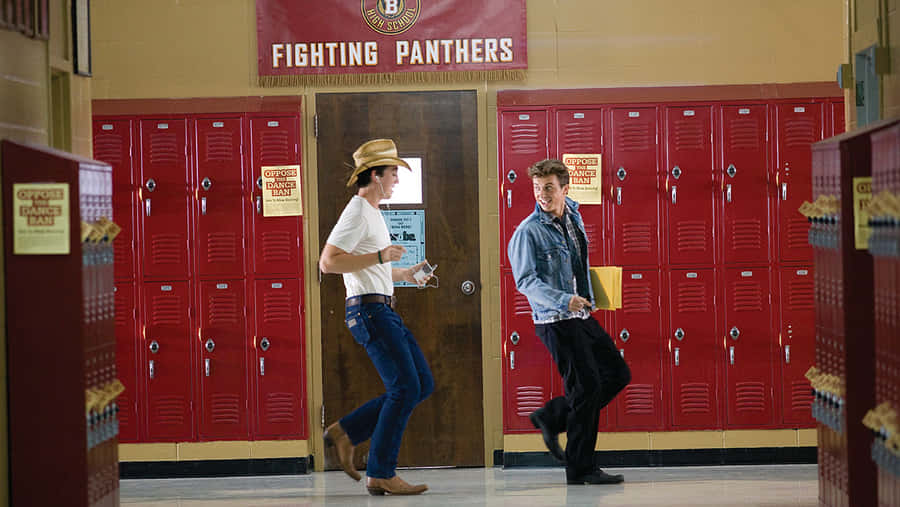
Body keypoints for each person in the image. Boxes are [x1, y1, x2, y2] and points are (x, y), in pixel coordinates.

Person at [318, 138, 434, 496]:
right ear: (375, 175)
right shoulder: (356, 212)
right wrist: (381, 258)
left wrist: (405, 274)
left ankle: (346, 431)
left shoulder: (373, 214)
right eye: (393, 172)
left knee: (421, 384)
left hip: (381, 306)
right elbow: (329, 262)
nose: (397, 179)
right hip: (368, 312)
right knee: (404, 388)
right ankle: (381, 471)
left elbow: (374, 269)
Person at [508, 158, 632, 485]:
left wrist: (589, 295)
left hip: (581, 313)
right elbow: (526, 282)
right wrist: (565, 299)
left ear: (565, 189)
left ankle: (552, 416)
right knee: (586, 387)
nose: (541, 195)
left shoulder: (572, 216)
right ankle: (581, 468)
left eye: (548, 188)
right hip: (556, 318)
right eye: (537, 188)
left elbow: (576, 264)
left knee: (617, 373)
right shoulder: (528, 232)